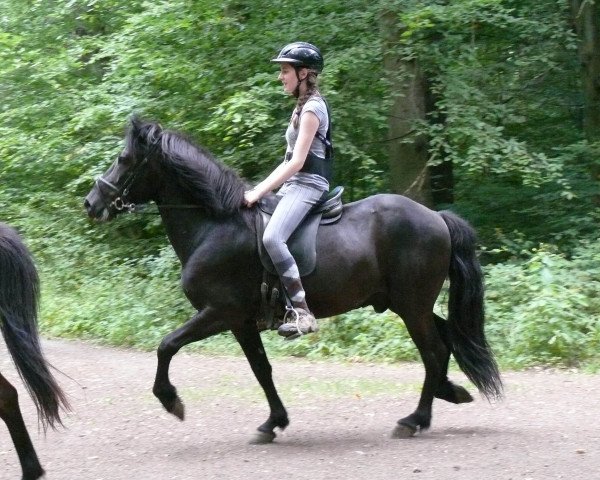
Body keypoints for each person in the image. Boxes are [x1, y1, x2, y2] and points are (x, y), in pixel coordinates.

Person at [244, 41, 332, 338]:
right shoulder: (300, 107)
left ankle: (303, 312)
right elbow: (287, 161)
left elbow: (296, 163)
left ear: (303, 73)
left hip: (308, 184)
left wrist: (258, 192)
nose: (280, 76)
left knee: (273, 236)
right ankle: (270, 307)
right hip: (295, 183)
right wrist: (259, 191)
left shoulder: (312, 109)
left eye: (284, 70)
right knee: (258, 228)